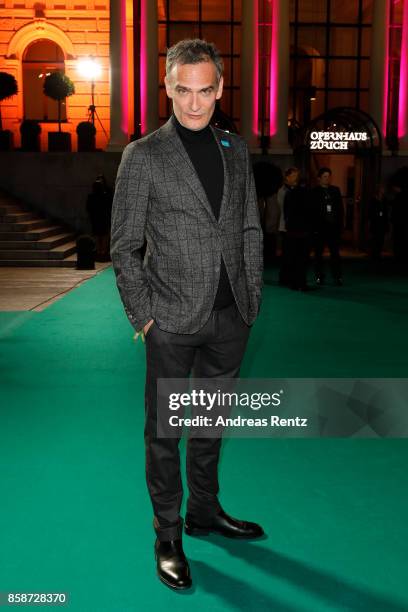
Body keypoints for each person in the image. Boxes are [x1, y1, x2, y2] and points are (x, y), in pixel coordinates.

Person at [110, 39, 264, 592]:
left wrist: (251, 297)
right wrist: (145, 318)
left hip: (231, 318)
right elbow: (124, 246)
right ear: (168, 89)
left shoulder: (235, 149)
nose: (195, 103)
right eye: (183, 91)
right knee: (164, 433)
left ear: (220, 88)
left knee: (210, 426)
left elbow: (248, 227)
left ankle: (204, 511)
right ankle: (168, 533)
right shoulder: (144, 155)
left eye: (205, 91)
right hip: (170, 321)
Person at [311, 167, 344, 285]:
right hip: (319, 229)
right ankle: (319, 276)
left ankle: (337, 276)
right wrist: (313, 228)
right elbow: (312, 212)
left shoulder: (335, 190)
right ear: (319, 178)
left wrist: (340, 226)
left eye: (329, 176)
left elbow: (340, 210)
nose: (327, 179)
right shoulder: (314, 192)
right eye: (325, 176)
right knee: (318, 254)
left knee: (335, 253)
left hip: (333, 228)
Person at [284, 178, 312, 291]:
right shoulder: (308, 195)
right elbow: (311, 213)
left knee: (293, 258)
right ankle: (302, 283)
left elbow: (286, 212)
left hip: (292, 231)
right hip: (304, 232)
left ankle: (294, 283)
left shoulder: (290, 194)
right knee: (303, 259)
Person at [277, 167, 300, 285]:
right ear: (288, 177)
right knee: (287, 254)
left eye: (297, 176)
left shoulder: (293, 189)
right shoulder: (283, 191)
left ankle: (289, 276)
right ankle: (284, 278)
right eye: (294, 176)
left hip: (292, 227)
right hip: (285, 227)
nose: (296, 178)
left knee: (292, 254)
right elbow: (283, 209)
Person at [86, 174, 113, 262]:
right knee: (103, 235)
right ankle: (103, 252)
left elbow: (88, 208)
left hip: (96, 218)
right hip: (103, 218)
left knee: (98, 236)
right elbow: (109, 206)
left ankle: (99, 252)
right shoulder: (105, 196)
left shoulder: (91, 196)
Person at [368, 184, 389, 264]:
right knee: (375, 239)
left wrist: (387, 225)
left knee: (381, 239)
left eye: (383, 190)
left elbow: (386, 213)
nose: (382, 191)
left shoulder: (384, 200)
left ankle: (378, 254)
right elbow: (370, 212)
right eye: (381, 190)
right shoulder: (373, 200)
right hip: (375, 222)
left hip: (382, 223)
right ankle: (374, 254)